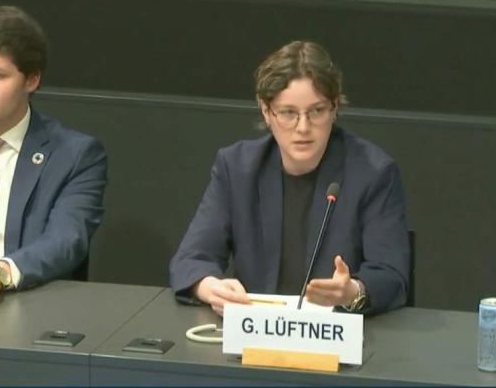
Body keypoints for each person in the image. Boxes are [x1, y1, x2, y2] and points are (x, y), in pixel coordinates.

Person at [170, 40, 409, 315]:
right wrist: (211, 287)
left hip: (337, 342)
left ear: (334, 108)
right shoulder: (237, 168)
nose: (303, 127)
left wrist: (352, 292)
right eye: (288, 113)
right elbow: (191, 258)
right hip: (256, 339)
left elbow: (392, 275)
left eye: (316, 111)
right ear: (266, 111)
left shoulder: (373, 173)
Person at [0, 5, 108, 306]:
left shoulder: (75, 156)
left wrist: (1, 272)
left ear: (31, 81)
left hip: (20, 307)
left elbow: (66, 241)